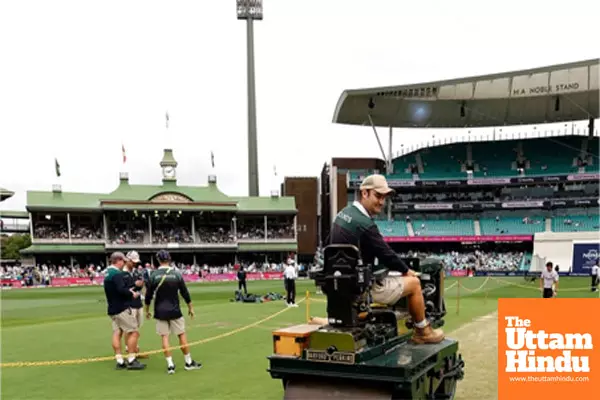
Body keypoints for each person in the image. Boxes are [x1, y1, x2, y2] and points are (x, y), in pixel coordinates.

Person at [329, 174, 444, 345]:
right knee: (414, 283)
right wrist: (407, 270)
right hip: (361, 290)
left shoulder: (342, 215)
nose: (382, 202)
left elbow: (328, 246)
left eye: (384, 197)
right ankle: (422, 330)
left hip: (340, 286)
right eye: (378, 195)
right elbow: (386, 253)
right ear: (364, 193)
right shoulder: (365, 223)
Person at [144, 250, 201, 374]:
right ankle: (188, 362)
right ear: (169, 259)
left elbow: (148, 295)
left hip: (160, 310)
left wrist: (147, 310)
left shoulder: (153, 275)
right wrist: (190, 307)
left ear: (158, 260)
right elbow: (185, 292)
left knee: (165, 337)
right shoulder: (176, 274)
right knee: (181, 335)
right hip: (175, 309)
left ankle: (170, 365)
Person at [103, 252, 146, 370]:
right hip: (121, 308)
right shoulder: (116, 274)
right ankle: (131, 359)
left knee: (117, 332)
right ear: (119, 261)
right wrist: (132, 294)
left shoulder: (108, 273)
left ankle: (119, 360)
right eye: (123, 261)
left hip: (112, 308)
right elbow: (121, 290)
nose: (124, 263)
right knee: (134, 332)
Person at [122, 251, 147, 359]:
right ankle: (130, 350)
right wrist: (133, 284)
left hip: (138, 303)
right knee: (129, 329)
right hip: (128, 304)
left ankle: (134, 348)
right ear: (128, 260)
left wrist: (140, 285)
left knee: (136, 328)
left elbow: (139, 286)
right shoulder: (121, 273)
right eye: (133, 262)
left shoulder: (136, 272)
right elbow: (122, 289)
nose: (135, 264)